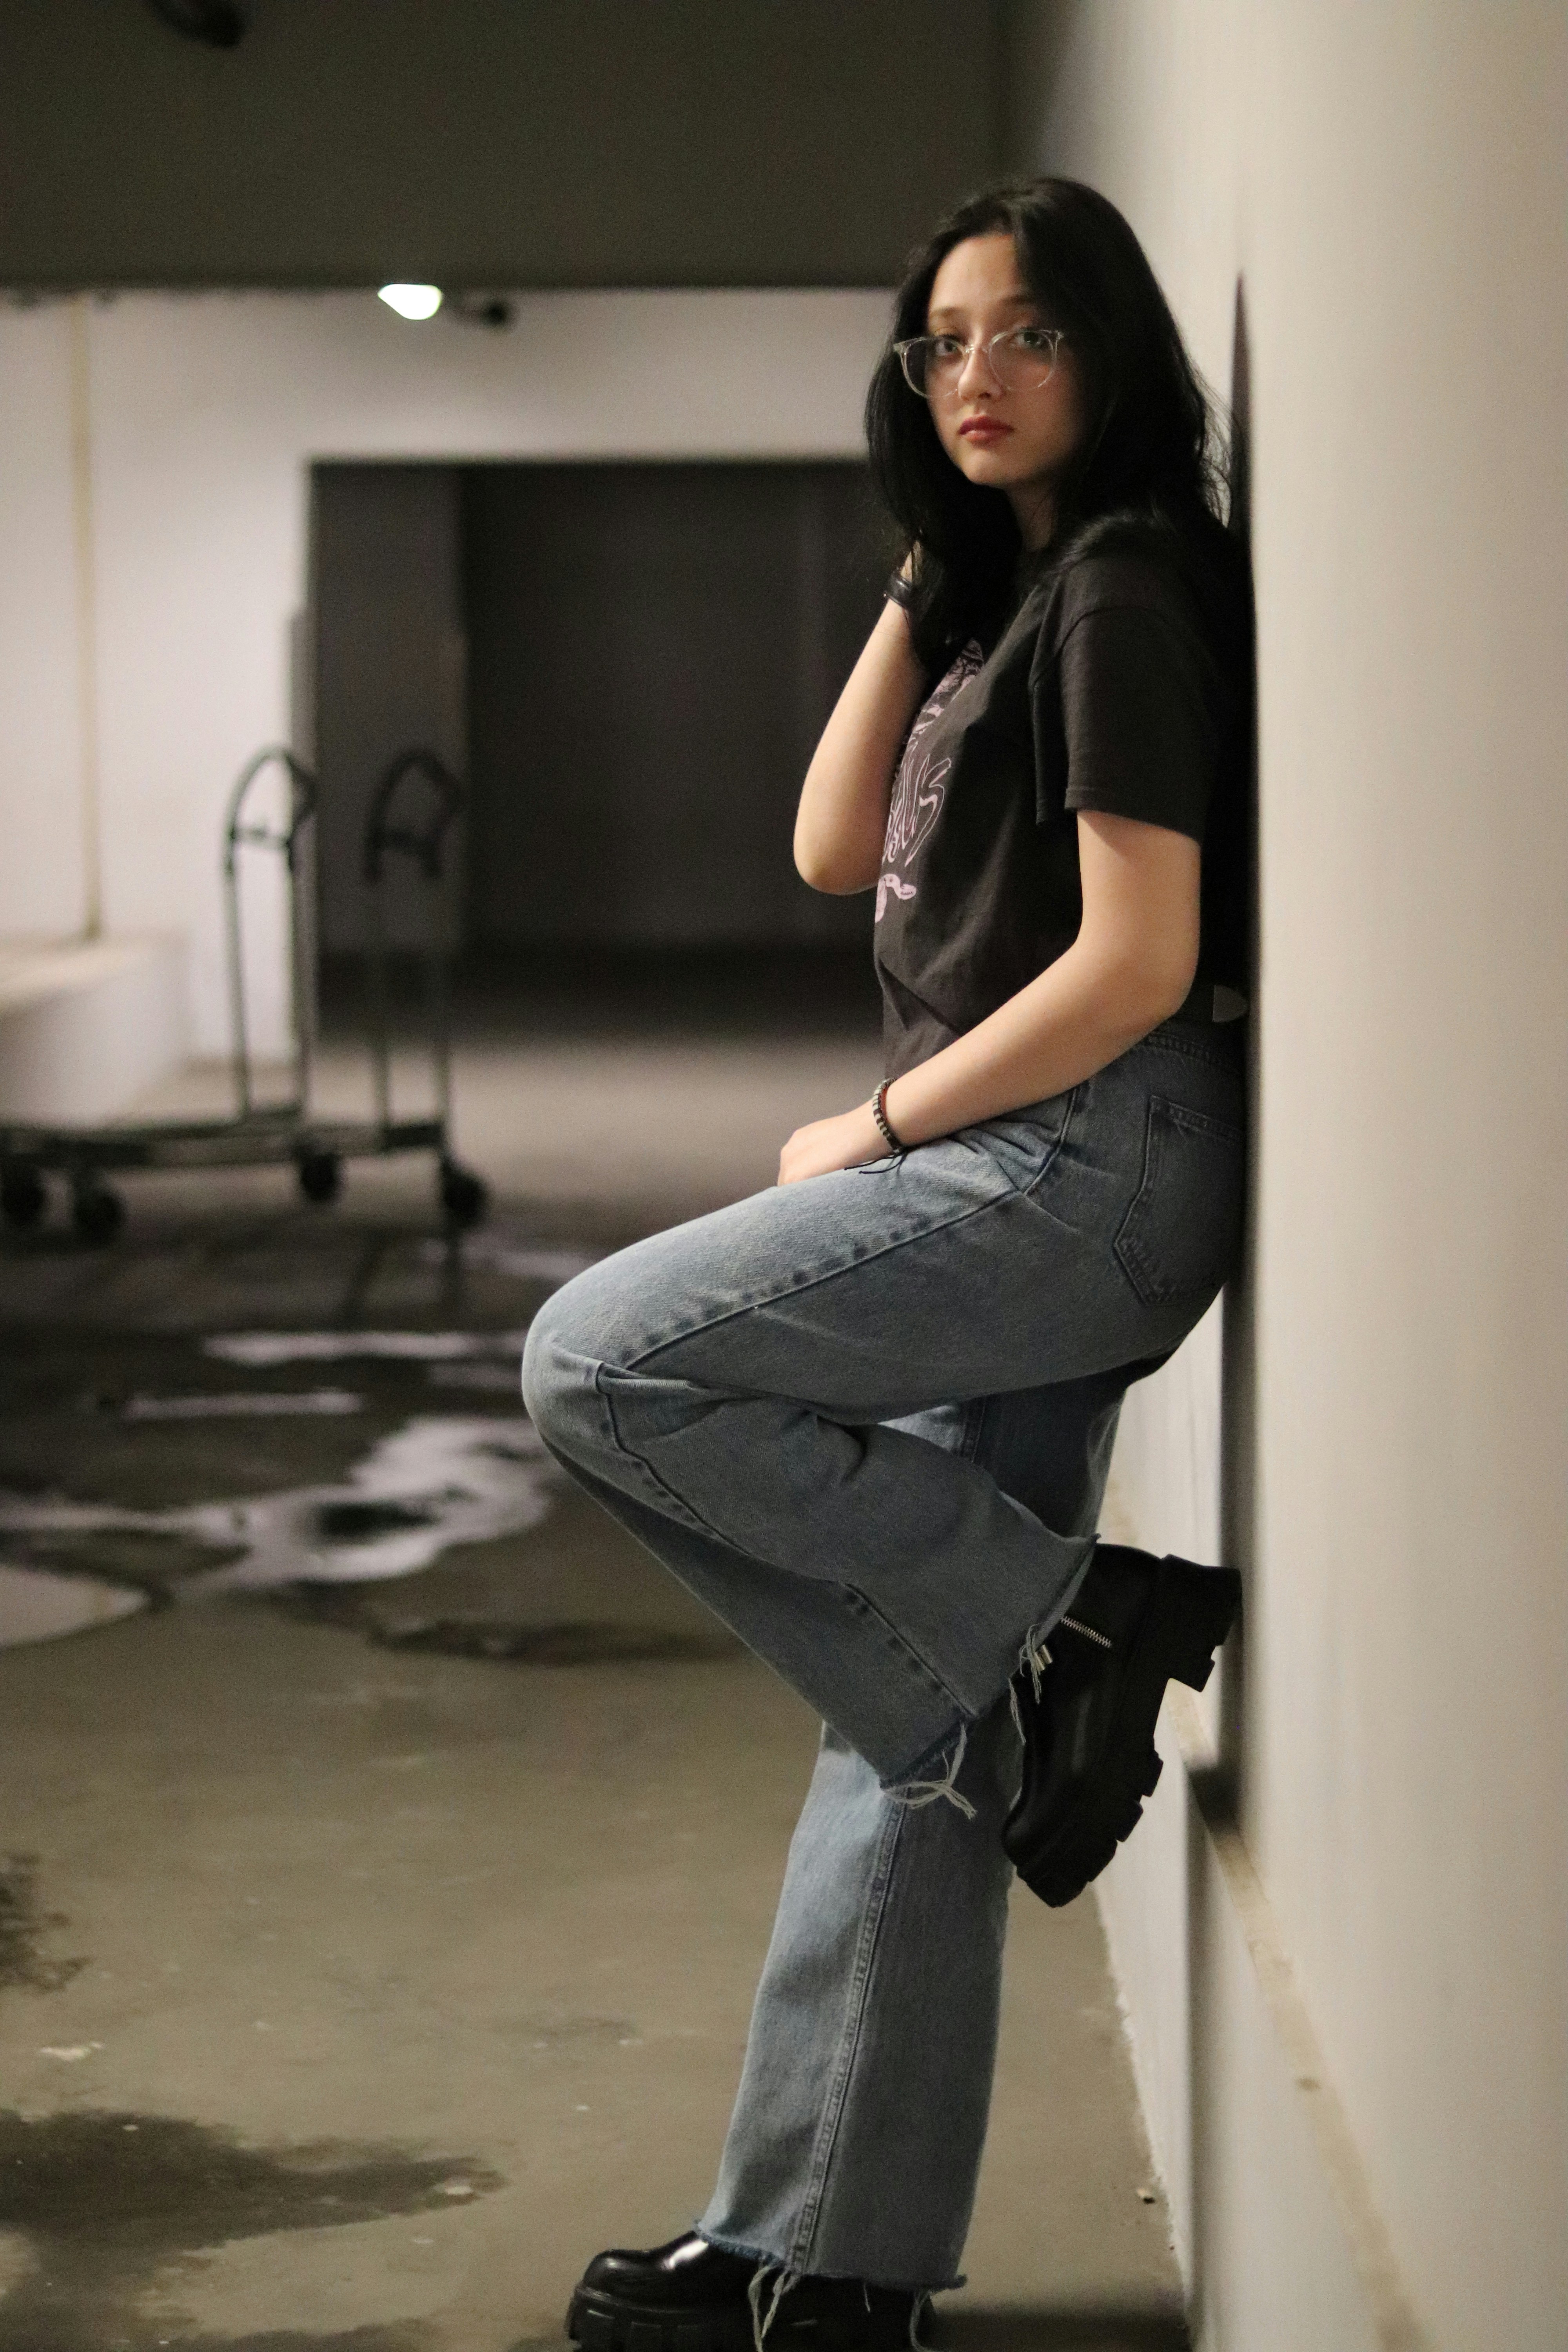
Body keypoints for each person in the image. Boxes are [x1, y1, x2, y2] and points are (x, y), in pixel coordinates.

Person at [523, 174, 1251, 2352]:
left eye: (1027, 336)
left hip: (1076, 1171)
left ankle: (1073, 1625)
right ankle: (821, 2273)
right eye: (941, 343)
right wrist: (932, 571)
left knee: (602, 1364)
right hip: (1045, 1169)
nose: (977, 378)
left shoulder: (1125, 593)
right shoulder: (1014, 597)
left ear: (1111, 354)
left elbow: (1145, 955)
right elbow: (834, 841)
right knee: (920, 1715)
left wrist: (884, 1123)